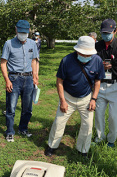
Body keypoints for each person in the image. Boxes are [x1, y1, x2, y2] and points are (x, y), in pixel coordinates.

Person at [45, 36, 105, 157]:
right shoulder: (67, 60)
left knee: (87, 125)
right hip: (68, 97)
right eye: (83, 54)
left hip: (86, 98)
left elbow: (98, 81)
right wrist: (62, 100)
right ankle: (52, 145)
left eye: (88, 55)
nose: (86, 57)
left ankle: (83, 150)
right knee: (59, 122)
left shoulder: (97, 60)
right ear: (77, 51)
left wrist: (94, 99)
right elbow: (59, 80)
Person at [1, 20, 38, 142]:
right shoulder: (9, 44)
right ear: (16, 30)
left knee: (27, 108)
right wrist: (7, 80)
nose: (23, 34)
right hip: (14, 78)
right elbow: (3, 63)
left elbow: (34, 61)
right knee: (11, 107)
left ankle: (23, 128)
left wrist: (35, 76)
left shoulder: (32, 44)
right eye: (21, 32)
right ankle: (10, 131)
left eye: (25, 32)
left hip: (28, 79)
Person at [94, 19, 117, 148]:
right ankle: (99, 138)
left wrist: (111, 65)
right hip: (100, 85)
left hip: (115, 86)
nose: (106, 35)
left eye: (109, 32)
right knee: (98, 114)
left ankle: (111, 140)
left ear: (115, 31)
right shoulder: (97, 46)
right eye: (103, 33)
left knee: (113, 117)